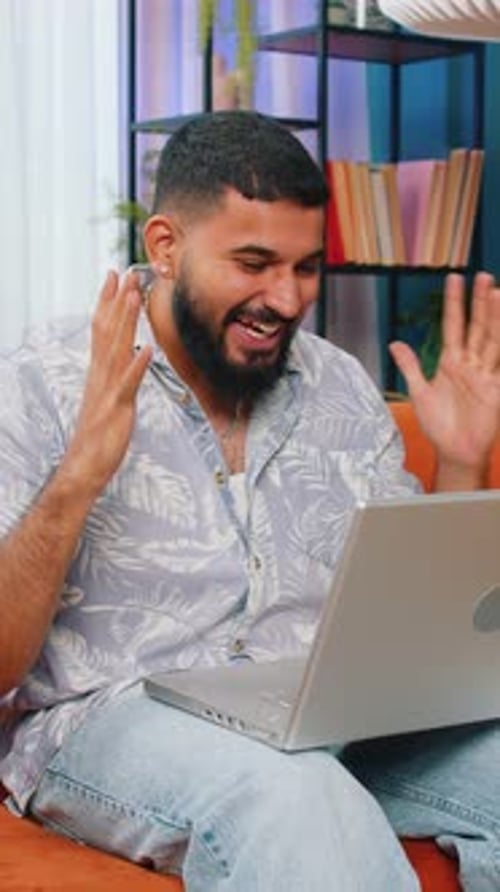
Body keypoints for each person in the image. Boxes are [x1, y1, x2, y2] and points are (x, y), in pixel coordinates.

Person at [0, 110, 499, 892]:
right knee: (293, 793)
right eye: (254, 262)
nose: (287, 297)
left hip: (327, 709)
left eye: (305, 268)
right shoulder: (44, 378)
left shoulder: (338, 383)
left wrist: (463, 462)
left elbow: (403, 628)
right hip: (117, 716)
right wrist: (77, 481)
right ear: (166, 247)